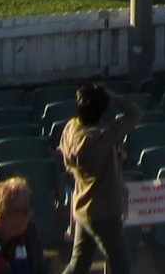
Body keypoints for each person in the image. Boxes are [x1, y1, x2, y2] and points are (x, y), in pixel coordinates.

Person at [58, 81, 140, 274]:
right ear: (102, 112)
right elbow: (135, 114)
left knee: (78, 264)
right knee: (122, 268)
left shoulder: (71, 129)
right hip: (104, 213)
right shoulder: (100, 138)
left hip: (82, 207)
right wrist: (112, 95)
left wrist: (114, 155)